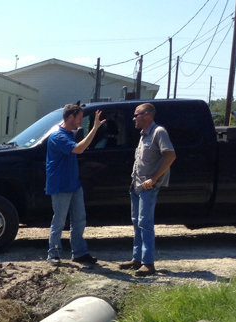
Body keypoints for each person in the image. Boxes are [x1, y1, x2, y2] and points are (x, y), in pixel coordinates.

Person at [119, 103, 176, 276]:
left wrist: (154, 178)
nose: (134, 118)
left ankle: (148, 263)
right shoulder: (143, 134)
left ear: (148, 115)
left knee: (145, 223)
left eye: (137, 115)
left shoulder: (159, 132)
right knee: (137, 222)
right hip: (136, 186)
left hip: (148, 187)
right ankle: (137, 259)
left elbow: (171, 155)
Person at [45, 104, 105, 266]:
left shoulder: (68, 134)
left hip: (73, 184)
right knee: (59, 221)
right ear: (70, 117)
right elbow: (79, 149)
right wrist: (95, 128)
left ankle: (79, 253)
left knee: (79, 220)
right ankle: (53, 254)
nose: (80, 122)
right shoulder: (58, 136)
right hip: (60, 185)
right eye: (79, 119)